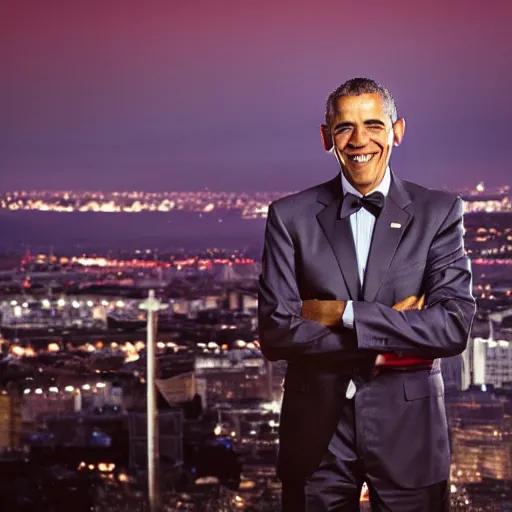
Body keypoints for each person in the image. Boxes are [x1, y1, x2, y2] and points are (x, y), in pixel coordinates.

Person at [257, 77, 476, 511]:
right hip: (316, 435)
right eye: (344, 128)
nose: (360, 141)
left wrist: (343, 313)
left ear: (397, 130)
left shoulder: (439, 212)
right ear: (326, 137)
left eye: (374, 125)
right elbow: (276, 333)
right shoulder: (289, 217)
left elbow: (452, 327)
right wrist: (397, 337)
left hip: (409, 434)